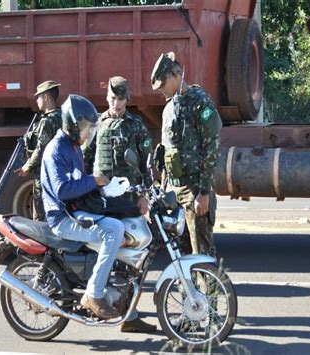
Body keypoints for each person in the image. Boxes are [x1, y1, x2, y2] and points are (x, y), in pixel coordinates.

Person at [41, 94, 123, 320]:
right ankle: (94, 294)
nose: (88, 132)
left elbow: (80, 181)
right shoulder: (57, 149)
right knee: (114, 230)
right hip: (63, 217)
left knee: (120, 221)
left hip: (76, 209)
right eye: (84, 127)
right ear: (72, 125)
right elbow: (62, 190)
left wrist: (106, 189)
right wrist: (94, 181)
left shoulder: (73, 146)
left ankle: (112, 287)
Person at [91, 76, 156, 333]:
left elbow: (145, 164)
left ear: (127, 99)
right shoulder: (98, 123)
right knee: (107, 255)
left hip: (129, 201)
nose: (115, 104)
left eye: (120, 99)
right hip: (103, 201)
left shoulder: (136, 126)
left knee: (136, 258)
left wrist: (145, 196)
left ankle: (129, 314)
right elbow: (87, 159)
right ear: (107, 97)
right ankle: (105, 301)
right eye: (112, 99)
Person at [151, 52, 222, 257]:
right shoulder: (169, 108)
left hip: (194, 190)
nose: (161, 90)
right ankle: (187, 290)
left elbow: (212, 148)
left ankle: (212, 290)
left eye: (163, 84)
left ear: (176, 75)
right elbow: (167, 153)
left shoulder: (200, 102)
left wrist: (204, 192)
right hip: (174, 191)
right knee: (180, 255)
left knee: (201, 252)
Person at [16, 80, 62, 221]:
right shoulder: (62, 116)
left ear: (46, 97)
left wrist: (27, 167)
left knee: (41, 216)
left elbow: (41, 149)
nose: (36, 100)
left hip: (45, 174)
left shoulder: (47, 122)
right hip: (60, 172)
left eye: (39, 96)